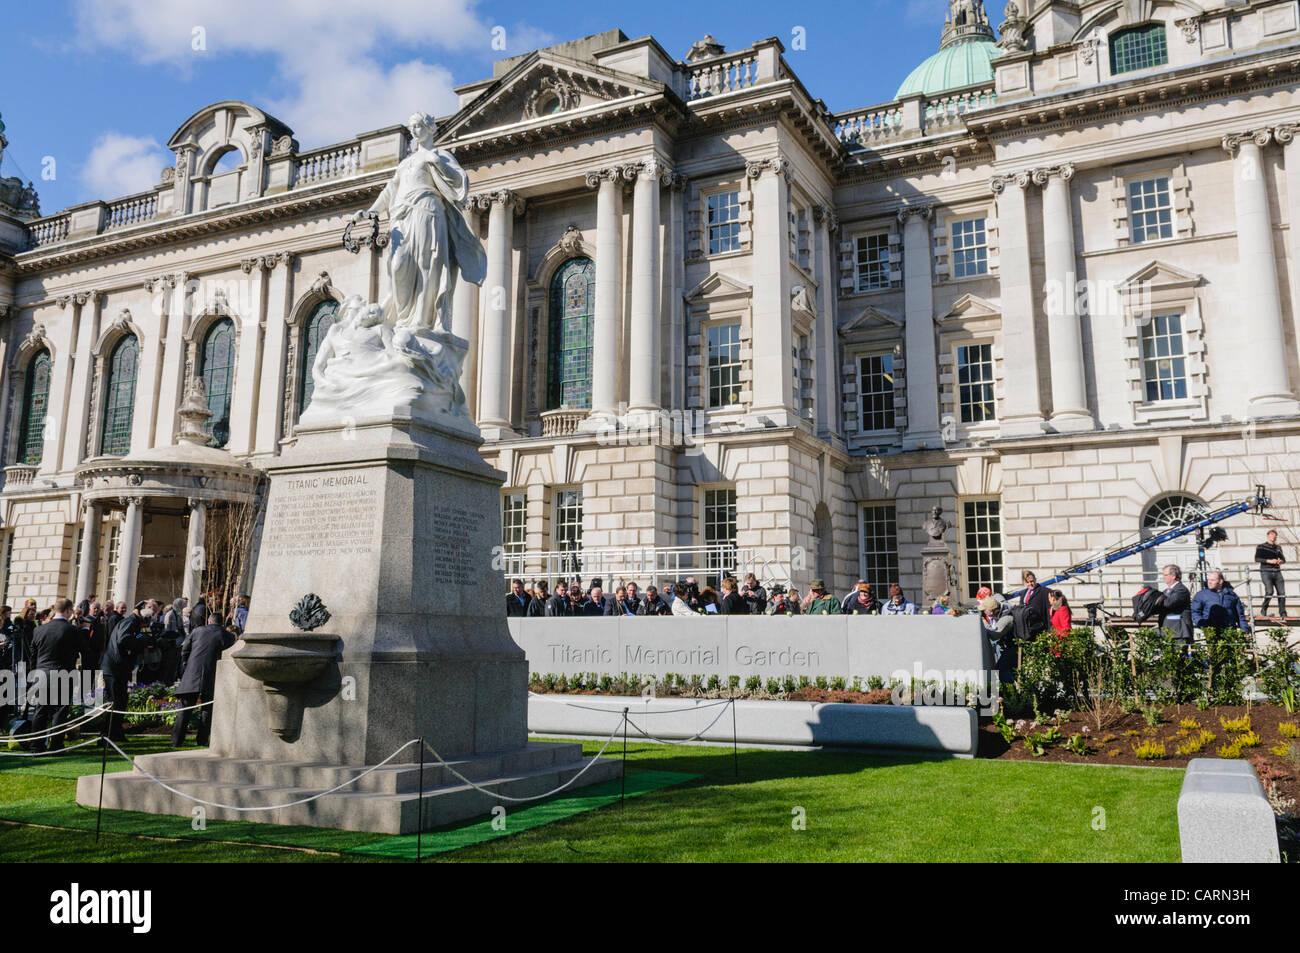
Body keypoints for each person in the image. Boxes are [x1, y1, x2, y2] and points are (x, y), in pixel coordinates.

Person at [171, 617, 237, 747]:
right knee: (207, 709)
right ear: (222, 623)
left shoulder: (197, 631)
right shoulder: (227, 635)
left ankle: (176, 740)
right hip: (212, 674)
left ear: (209, 621)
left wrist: (187, 664)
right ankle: (202, 739)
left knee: (186, 709)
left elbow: (185, 650)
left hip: (193, 672)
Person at [27, 598, 81, 752]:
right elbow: (85, 650)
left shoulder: (39, 629)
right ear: (69, 611)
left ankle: (36, 746)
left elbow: (33, 655)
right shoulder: (72, 630)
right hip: (63, 673)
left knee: (41, 710)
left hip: (42, 673)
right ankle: (56, 745)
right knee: (59, 711)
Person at [101, 602, 155, 742]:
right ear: (145, 620)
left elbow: (133, 637)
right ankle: (106, 735)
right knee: (115, 703)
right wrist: (141, 641)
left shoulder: (133, 624)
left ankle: (116, 733)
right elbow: (124, 639)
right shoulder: (130, 622)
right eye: (148, 623)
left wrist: (141, 638)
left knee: (121, 702)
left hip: (119, 668)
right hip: (114, 668)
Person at [980, 596, 1015, 685]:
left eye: (985, 610)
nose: (984, 612)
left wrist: (984, 621)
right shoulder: (1000, 608)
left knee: (1002, 670)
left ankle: (1010, 693)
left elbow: (994, 635)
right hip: (1008, 645)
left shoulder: (1006, 618)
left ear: (991, 612)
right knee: (1002, 669)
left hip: (1013, 647)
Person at [1156, 564, 1194, 646]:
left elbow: (1168, 603)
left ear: (1173, 576)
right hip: (1168, 631)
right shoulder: (1166, 590)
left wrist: (1155, 601)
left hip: (1179, 632)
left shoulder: (1181, 589)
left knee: (1180, 657)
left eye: (1166, 575)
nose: (1163, 577)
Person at [1255, 529, 1287, 618]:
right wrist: (1269, 561)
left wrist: (1280, 561)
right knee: (1269, 591)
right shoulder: (1261, 546)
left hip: (1277, 571)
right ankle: (1264, 608)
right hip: (1266, 571)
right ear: (1268, 536)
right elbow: (1257, 559)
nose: (1274, 536)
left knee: (1282, 593)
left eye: (1275, 535)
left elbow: (1284, 559)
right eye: (1272, 534)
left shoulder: (1278, 548)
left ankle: (1282, 612)